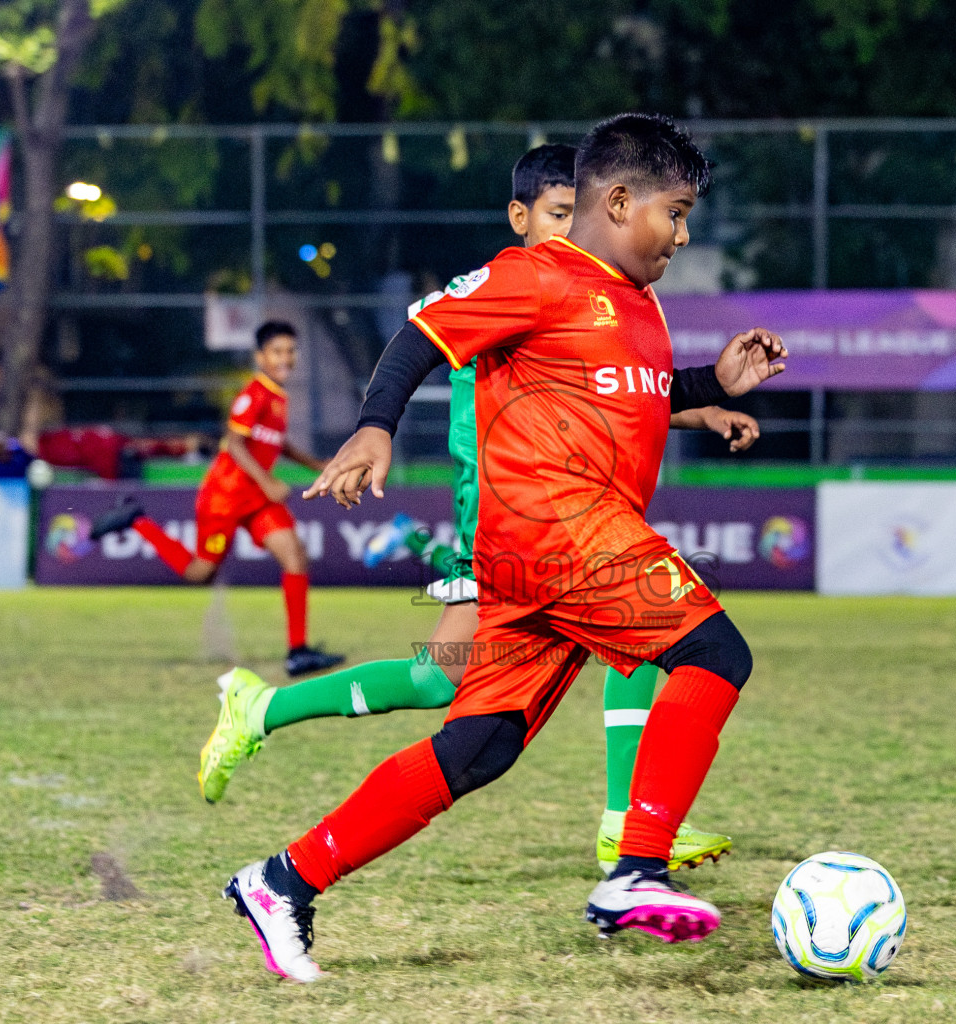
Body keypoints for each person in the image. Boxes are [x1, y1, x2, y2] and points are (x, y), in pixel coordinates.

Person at [218, 114, 787, 982]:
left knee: (477, 746)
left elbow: (627, 391)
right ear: (621, 199)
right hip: (561, 527)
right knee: (715, 653)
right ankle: (634, 869)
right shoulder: (541, 274)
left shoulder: (634, 304)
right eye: (673, 214)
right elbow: (421, 332)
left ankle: (283, 879)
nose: (679, 235)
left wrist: (715, 384)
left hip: (541, 560)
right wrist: (375, 429)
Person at [89, 322, 345, 678]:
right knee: (199, 572)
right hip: (224, 497)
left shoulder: (278, 396)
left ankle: (298, 653)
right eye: (277, 351)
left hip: (256, 499)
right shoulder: (252, 395)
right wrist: (269, 481)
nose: (286, 358)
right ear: (260, 357)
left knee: (295, 556)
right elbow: (236, 444)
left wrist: (315, 464)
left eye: (290, 350)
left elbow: (275, 443)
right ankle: (137, 521)